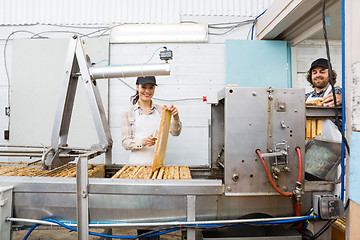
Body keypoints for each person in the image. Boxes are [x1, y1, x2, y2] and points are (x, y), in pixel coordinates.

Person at [121, 76, 182, 166]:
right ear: (137, 87)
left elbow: (175, 133)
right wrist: (143, 142)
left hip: (157, 166)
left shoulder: (161, 110)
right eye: (144, 87)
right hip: (136, 166)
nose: (147, 91)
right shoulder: (128, 113)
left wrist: (175, 117)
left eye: (151, 88)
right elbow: (125, 142)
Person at [305, 58, 342, 141]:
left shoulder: (338, 92)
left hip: (334, 145)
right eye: (314, 72)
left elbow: (352, 101)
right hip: (311, 144)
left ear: (330, 74)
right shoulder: (306, 97)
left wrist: (342, 99)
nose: (318, 75)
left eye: (322, 72)